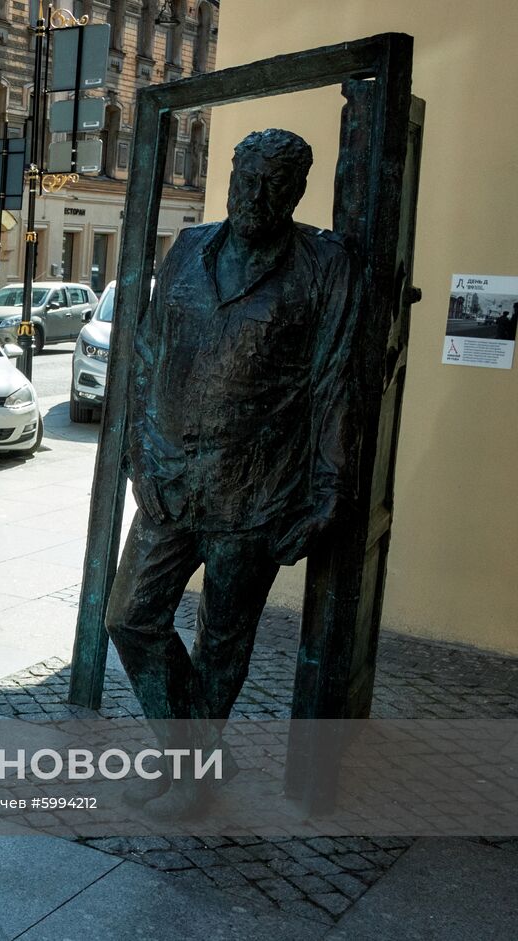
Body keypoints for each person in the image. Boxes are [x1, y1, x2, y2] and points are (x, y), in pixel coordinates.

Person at [106, 129, 359, 817]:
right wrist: (140, 453)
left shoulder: (321, 265)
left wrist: (330, 487)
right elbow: (149, 358)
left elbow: (336, 380)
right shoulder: (190, 248)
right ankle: (194, 752)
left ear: (298, 191)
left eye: (275, 183)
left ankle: (190, 771)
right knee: (129, 618)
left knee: (223, 638)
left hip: (256, 486)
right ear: (230, 177)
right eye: (247, 177)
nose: (257, 193)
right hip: (171, 480)